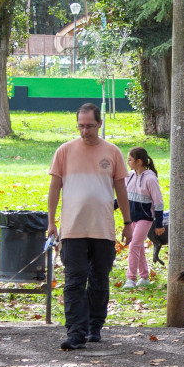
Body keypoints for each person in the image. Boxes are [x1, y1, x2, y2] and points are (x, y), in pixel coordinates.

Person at [47, 104, 132, 351]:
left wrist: (127, 223)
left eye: (90, 126)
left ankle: (95, 325)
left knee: (99, 280)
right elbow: (54, 188)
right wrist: (51, 222)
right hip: (73, 229)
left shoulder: (112, 152)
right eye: (81, 126)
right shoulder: (64, 151)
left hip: (103, 229)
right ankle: (76, 332)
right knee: (74, 281)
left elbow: (121, 190)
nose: (85, 131)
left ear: (100, 124)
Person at [123, 147, 164, 289]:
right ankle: (144, 276)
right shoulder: (129, 176)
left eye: (129, 159)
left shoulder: (150, 179)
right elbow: (123, 198)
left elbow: (158, 202)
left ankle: (131, 279)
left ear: (139, 161)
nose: (127, 162)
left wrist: (159, 224)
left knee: (134, 245)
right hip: (132, 218)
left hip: (145, 219)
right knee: (138, 246)